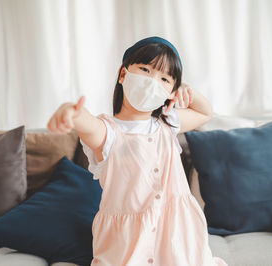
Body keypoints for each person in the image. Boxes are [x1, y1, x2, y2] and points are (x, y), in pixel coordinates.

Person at [47, 36, 228, 266]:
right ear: (123, 75)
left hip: (178, 239)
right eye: (145, 69)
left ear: (171, 90)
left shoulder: (168, 124)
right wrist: (70, 112)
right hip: (127, 245)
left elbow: (205, 113)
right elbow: (86, 122)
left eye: (164, 78)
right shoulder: (108, 131)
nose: (153, 81)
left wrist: (188, 92)